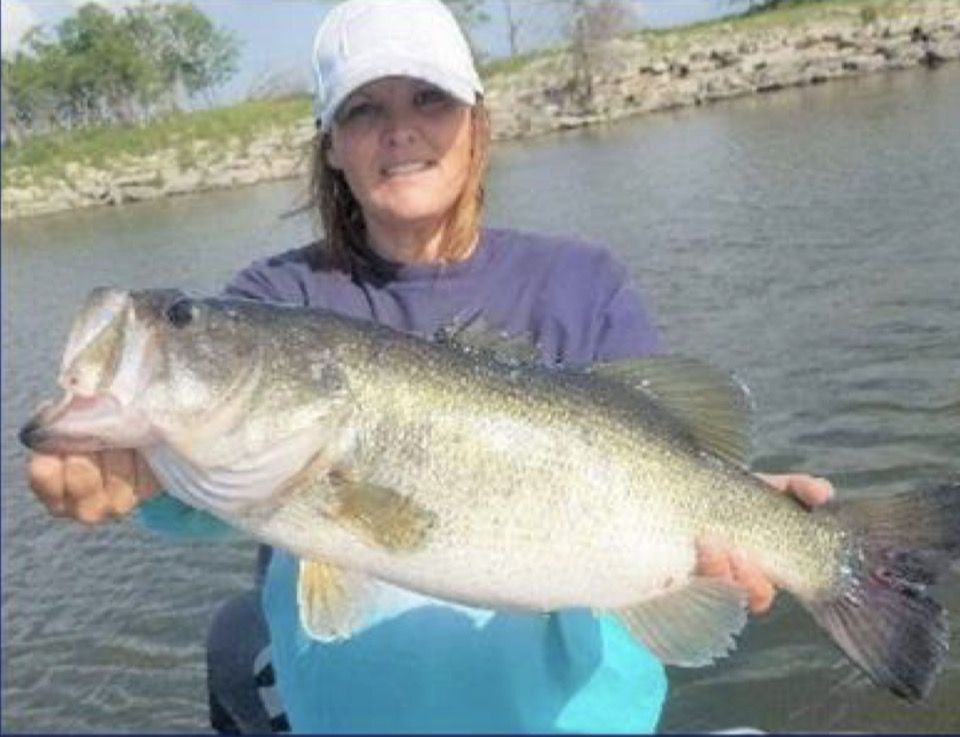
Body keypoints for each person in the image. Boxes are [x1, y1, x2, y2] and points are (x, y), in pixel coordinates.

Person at [25, 0, 835, 732]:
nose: (399, 129)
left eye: (430, 100)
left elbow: (669, 458)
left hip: (578, 719)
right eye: (365, 109)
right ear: (332, 145)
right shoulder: (279, 295)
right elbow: (208, 488)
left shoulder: (581, 283)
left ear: (478, 126)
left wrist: (744, 508)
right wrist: (133, 473)